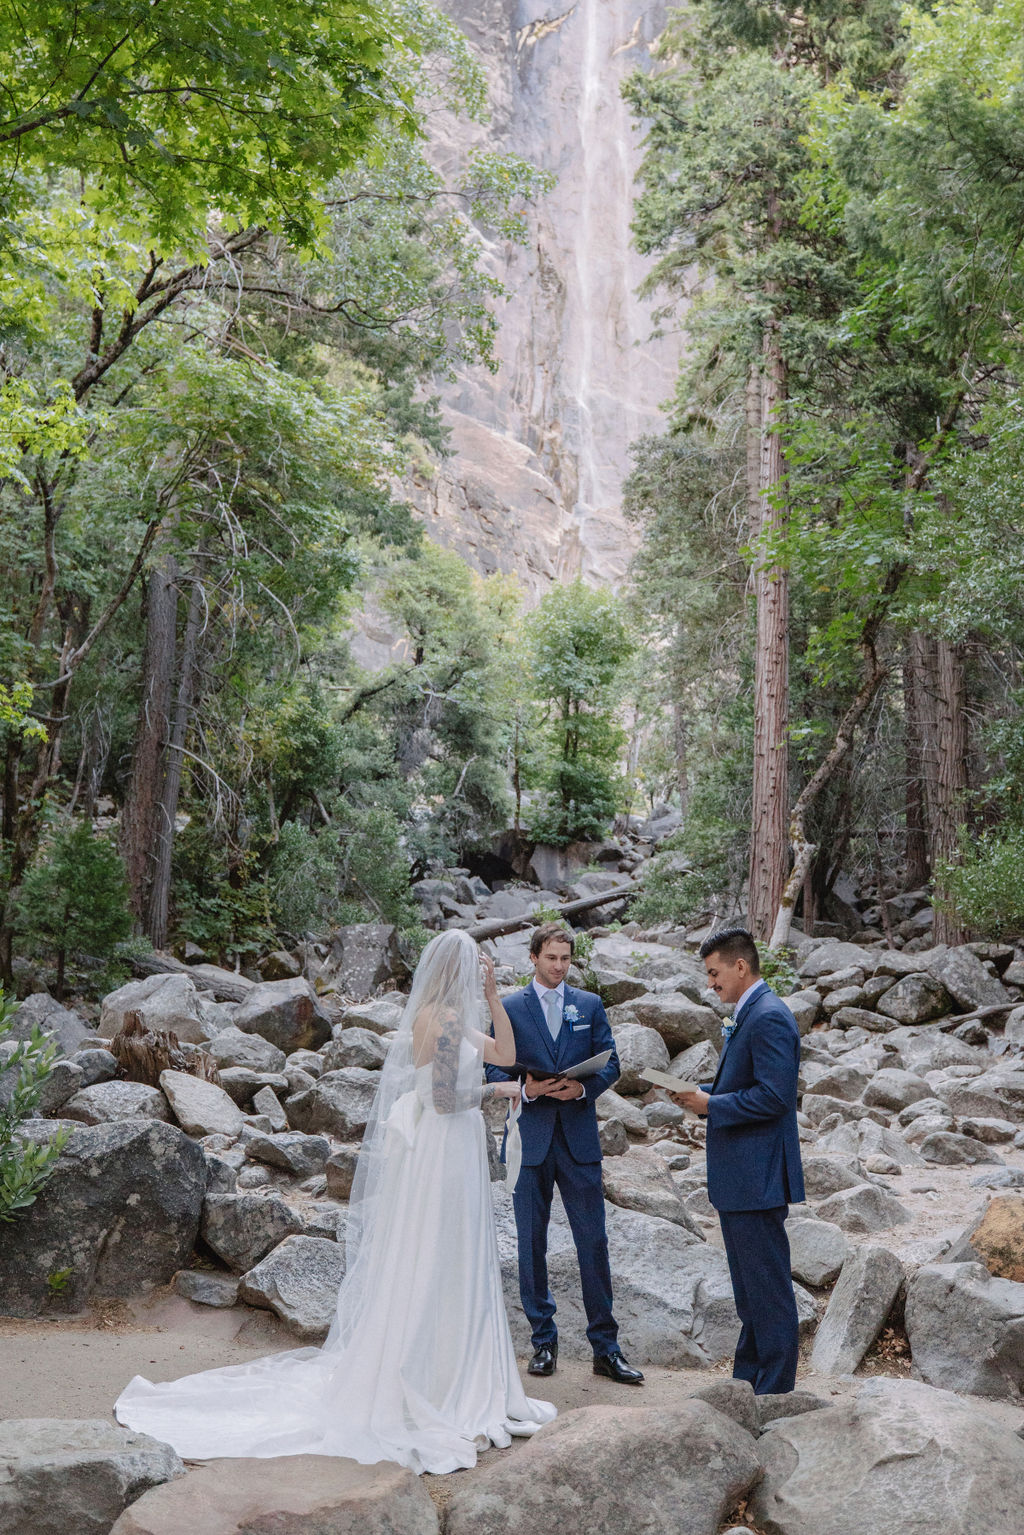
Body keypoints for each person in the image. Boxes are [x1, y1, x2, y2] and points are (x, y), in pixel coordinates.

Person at [115, 929, 556, 1474]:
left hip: (456, 1150)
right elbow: (442, 1100)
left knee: (456, 1256)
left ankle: (451, 1367)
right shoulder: (437, 1021)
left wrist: (493, 999)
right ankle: (428, 1377)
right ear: (453, 974)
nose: (477, 978)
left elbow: (506, 1054)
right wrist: (499, 1092)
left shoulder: (455, 1017)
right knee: (436, 1253)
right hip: (444, 1147)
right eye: (474, 973)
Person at [486, 922, 644, 1386]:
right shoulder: (510, 1006)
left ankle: (606, 1348)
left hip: (578, 1140)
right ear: (534, 957)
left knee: (593, 1242)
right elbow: (493, 1062)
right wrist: (526, 1088)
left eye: (565, 959)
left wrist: (582, 1087)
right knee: (531, 1243)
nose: (559, 966)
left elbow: (611, 1060)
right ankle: (543, 1342)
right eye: (551, 957)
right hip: (528, 1138)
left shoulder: (589, 1005)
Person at [671, 926, 805, 1395]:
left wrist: (713, 1107)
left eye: (714, 973)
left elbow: (775, 1097)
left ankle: (775, 1390)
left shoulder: (768, 1016)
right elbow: (749, 1085)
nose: (711, 984)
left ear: (740, 966)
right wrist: (707, 1094)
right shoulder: (749, 1013)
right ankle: (748, 1381)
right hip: (742, 1176)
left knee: (766, 1290)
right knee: (749, 1291)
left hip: (758, 1175)